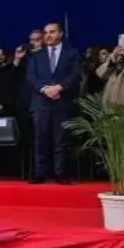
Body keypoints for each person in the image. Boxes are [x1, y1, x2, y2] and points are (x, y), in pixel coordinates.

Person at [25, 22, 81, 184]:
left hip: (62, 101)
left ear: (60, 34)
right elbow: (31, 77)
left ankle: (61, 173)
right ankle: (39, 173)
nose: (48, 35)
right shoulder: (36, 55)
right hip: (41, 102)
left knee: (61, 139)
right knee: (40, 138)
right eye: (46, 32)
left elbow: (75, 75)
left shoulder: (72, 54)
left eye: (52, 32)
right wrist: (44, 89)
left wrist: (59, 88)